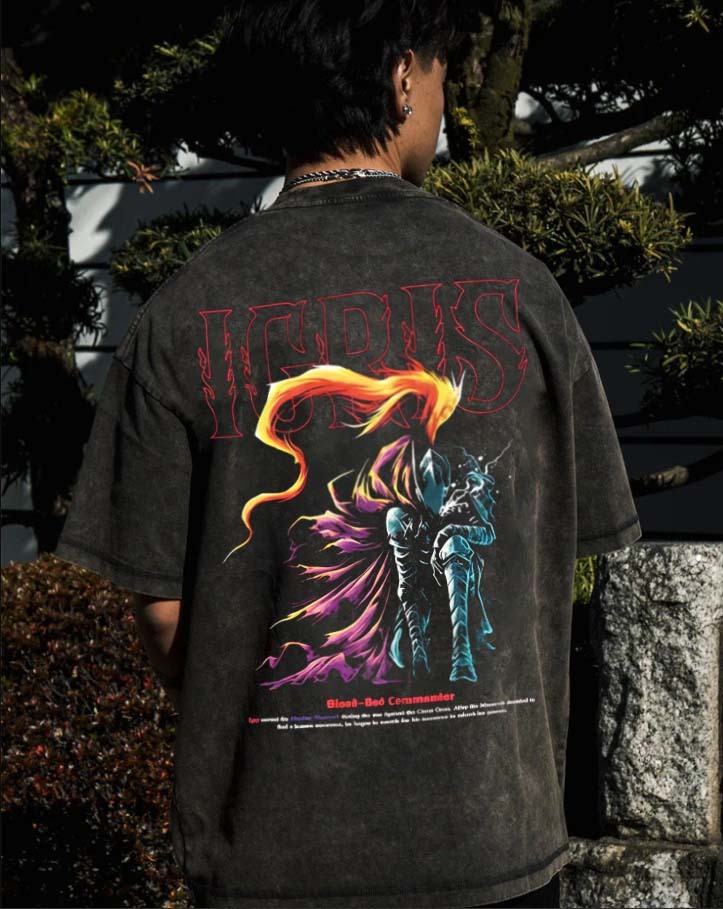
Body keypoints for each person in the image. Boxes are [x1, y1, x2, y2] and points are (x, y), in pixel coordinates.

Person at [54, 1, 643, 907]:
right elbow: (562, 563)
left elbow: (163, 615)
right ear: (403, 77)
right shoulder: (525, 293)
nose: (441, 104)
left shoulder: (182, 312)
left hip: (274, 859)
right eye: (439, 76)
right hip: (488, 849)